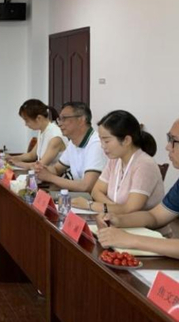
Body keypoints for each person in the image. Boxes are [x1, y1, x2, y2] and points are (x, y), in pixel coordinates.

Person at [97, 119, 179, 259]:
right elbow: (155, 216)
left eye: (173, 140)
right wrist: (119, 219)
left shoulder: (144, 163)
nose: (167, 147)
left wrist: (131, 240)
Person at [72, 110, 164, 214]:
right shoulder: (115, 160)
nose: (102, 146)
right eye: (101, 140)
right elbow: (96, 191)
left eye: (106, 141)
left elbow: (130, 209)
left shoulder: (144, 165)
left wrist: (90, 205)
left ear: (126, 140)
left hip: (141, 224)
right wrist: (115, 208)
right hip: (117, 220)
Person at [34, 102, 107, 192]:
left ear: (81, 120)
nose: (60, 124)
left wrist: (50, 177)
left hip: (91, 197)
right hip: (80, 195)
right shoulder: (73, 142)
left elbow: (86, 186)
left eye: (64, 118)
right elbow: (56, 169)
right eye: (59, 119)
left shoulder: (97, 144)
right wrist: (42, 169)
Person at [8, 99, 67, 169]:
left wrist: (17, 163)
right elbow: (32, 155)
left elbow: (40, 165)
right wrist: (12, 158)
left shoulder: (55, 137)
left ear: (39, 118)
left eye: (27, 120)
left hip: (54, 174)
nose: (26, 124)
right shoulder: (43, 131)